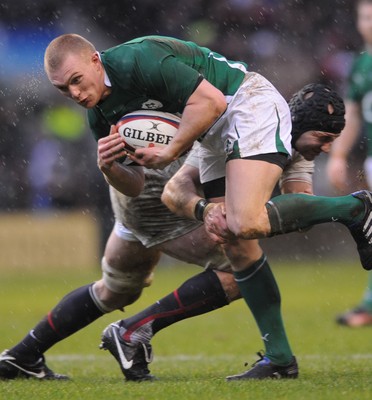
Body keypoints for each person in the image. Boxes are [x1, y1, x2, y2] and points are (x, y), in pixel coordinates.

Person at [40, 33, 368, 380]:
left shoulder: (137, 60)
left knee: (242, 223)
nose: (74, 94)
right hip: (213, 133)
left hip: (241, 103)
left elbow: (211, 101)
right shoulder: (100, 114)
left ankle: (355, 209)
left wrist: (170, 154)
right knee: (237, 240)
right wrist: (110, 170)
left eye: (76, 81)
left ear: (94, 59)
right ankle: (279, 361)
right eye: (63, 89)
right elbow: (136, 185)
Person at [326, 0, 372, 328]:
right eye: (366, 16)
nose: (370, 22)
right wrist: (338, 156)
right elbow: (353, 112)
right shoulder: (361, 64)